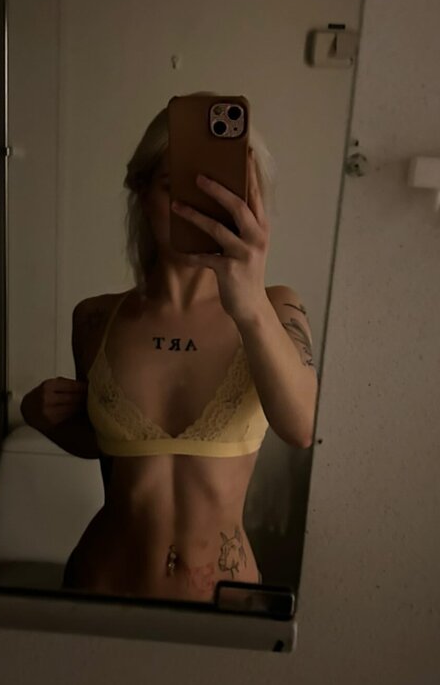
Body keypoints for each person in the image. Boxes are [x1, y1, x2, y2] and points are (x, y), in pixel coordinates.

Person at [21, 93, 318, 602]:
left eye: (220, 191)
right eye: (174, 188)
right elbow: (112, 450)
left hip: (223, 606)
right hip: (100, 590)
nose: (198, 208)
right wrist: (39, 416)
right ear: (141, 192)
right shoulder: (95, 318)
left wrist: (248, 303)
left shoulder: (276, 309)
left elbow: (302, 427)